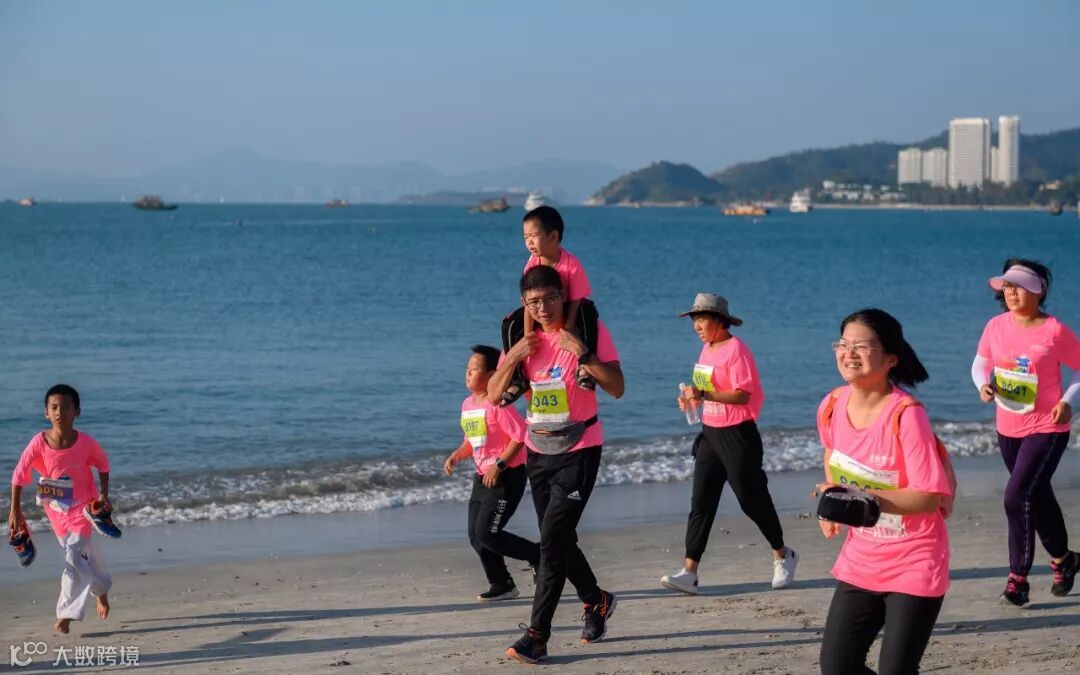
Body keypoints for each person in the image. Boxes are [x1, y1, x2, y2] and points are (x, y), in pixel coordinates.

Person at [487, 265, 624, 664]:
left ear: (562, 296)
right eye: (534, 302)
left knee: (551, 541)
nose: (543, 308)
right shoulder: (522, 339)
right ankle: (596, 600)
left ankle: (537, 636)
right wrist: (512, 358)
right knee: (558, 538)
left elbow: (617, 388)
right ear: (524, 303)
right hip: (538, 451)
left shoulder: (587, 332)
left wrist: (582, 351)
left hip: (580, 448)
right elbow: (494, 396)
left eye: (550, 298)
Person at [816, 309, 952, 675]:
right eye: (843, 344)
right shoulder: (831, 405)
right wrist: (833, 504)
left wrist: (863, 504)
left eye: (861, 346)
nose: (849, 353)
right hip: (862, 559)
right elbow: (832, 452)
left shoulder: (906, 415)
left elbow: (928, 496)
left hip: (915, 558)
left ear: (891, 358)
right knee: (837, 667)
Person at [661, 293, 798, 595]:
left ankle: (782, 554)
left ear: (719, 321)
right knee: (701, 503)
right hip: (710, 434)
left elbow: (742, 395)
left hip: (738, 435)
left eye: (701, 319)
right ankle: (690, 572)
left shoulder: (737, 350)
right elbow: (708, 388)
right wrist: (692, 400)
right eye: (694, 320)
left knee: (752, 500)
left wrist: (703, 394)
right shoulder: (707, 348)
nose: (696, 326)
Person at [972, 258, 1080, 606]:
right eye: (1007, 286)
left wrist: (1067, 401)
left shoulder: (1054, 331)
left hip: (1048, 427)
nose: (1011, 292)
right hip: (1008, 428)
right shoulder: (995, 326)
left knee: (1016, 497)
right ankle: (1065, 560)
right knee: (1037, 495)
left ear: (1039, 291)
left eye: (1019, 286)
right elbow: (980, 364)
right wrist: (982, 385)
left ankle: (1017, 579)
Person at [9, 384, 120, 634]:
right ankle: (101, 591)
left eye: (66, 407)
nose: (60, 412)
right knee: (87, 555)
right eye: (54, 407)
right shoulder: (38, 443)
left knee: (73, 555)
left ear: (77, 411)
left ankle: (66, 613)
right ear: (46, 412)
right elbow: (18, 476)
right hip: (56, 509)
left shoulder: (86, 443)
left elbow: (103, 465)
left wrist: (103, 495)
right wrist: (15, 510)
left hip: (84, 509)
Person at [443, 345, 540, 602]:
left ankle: (537, 555)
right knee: (476, 537)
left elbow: (520, 436)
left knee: (488, 533)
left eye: (474, 369)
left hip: (506, 476)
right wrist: (456, 455)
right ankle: (502, 584)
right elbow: (472, 440)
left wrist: (499, 465)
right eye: (467, 369)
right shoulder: (468, 404)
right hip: (482, 478)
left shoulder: (498, 404)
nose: (468, 373)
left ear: (492, 375)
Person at [499, 206, 600, 405]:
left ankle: (584, 368)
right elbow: (529, 301)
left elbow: (575, 300)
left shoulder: (571, 264)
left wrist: (569, 328)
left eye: (533, 236)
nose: (529, 242)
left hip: (570, 307)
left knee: (588, 313)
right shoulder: (532, 263)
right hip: (541, 309)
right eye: (525, 237)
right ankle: (519, 378)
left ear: (553, 236)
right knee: (509, 323)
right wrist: (528, 335)